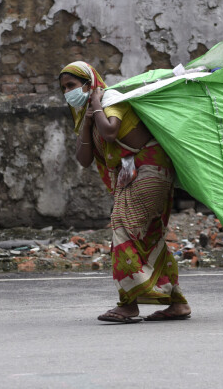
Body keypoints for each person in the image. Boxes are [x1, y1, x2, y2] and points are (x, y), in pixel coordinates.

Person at [58, 61, 191, 323]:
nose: (67, 92)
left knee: (123, 229)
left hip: (150, 166)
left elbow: (110, 132)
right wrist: (86, 121)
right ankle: (176, 303)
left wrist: (97, 104)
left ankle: (128, 305)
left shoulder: (112, 98)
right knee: (149, 235)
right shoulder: (87, 113)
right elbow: (83, 158)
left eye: (71, 85)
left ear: (89, 83)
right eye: (63, 88)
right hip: (131, 173)